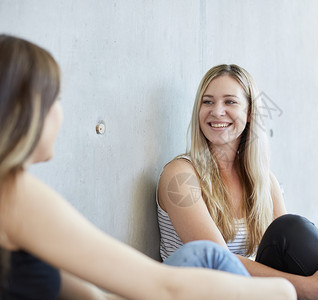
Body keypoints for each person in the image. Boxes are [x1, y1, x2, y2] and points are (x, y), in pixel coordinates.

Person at [0, 35, 297, 300]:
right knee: (205, 255)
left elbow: (83, 292)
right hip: (187, 285)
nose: (60, 112)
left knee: (295, 232)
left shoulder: (16, 197)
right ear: (22, 111)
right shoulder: (16, 195)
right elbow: (165, 287)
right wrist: (289, 291)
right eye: (56, 99)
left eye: (230, 102)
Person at [157, 64, 318, 300]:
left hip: (246, 292)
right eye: (207, 102)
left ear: (250, 113)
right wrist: (308, 287)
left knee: (291, 229)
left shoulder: (264, 180)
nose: (217, 111)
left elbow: (290, 248)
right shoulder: (180, 176)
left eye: (230, 102)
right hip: (201, 292)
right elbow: (218, 262)